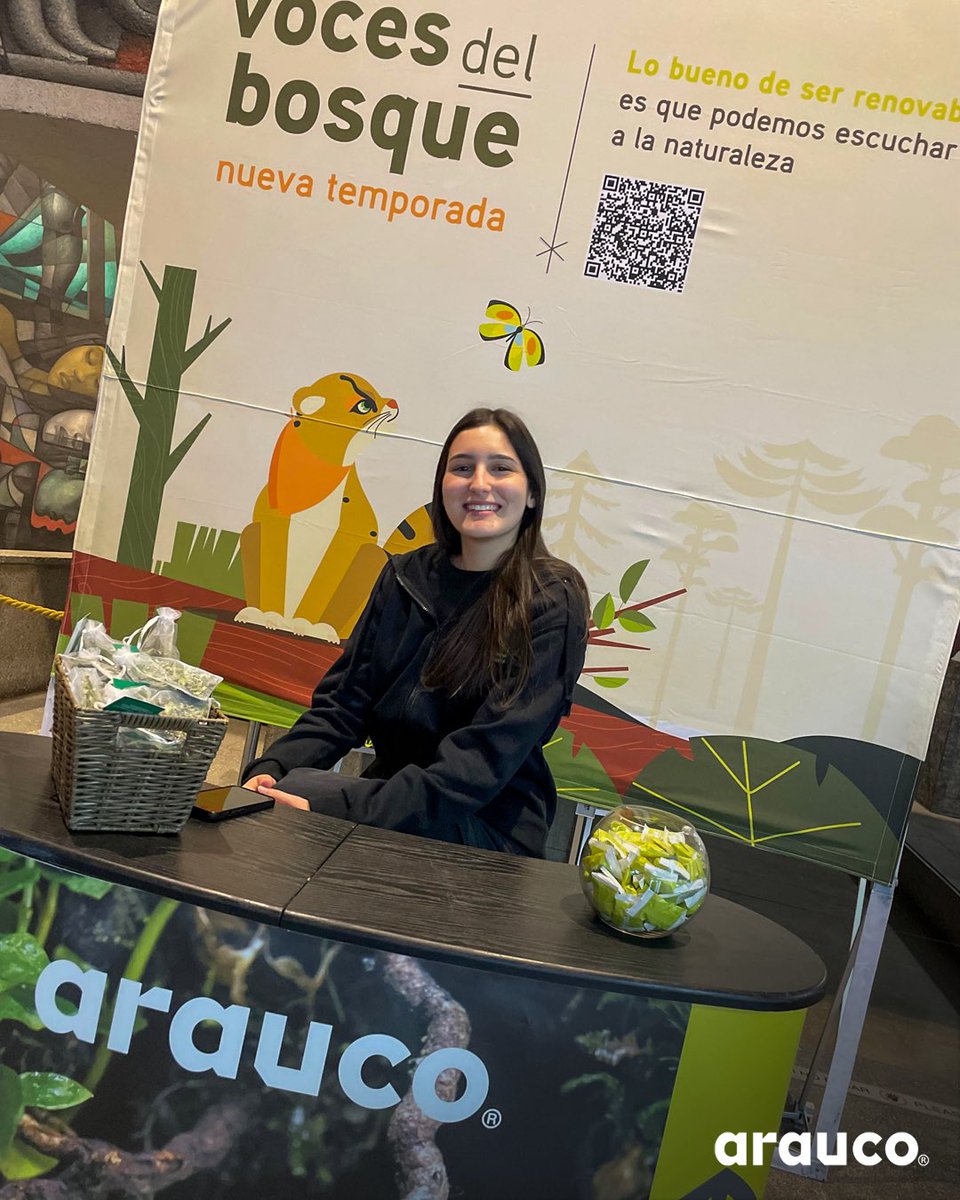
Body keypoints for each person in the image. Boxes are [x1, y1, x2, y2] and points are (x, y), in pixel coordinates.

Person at [241, 408, 589, 856]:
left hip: (484, 827)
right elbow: (343, 706)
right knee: (276, 802)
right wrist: (274, 767)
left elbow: (477, 766)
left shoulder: (551, 600)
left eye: (500, 468)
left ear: (533, 494)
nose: (479, 483)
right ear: (442, 487)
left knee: (311, 802)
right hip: (386, 801)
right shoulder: (404, 576)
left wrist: (339, 803)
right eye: (462, 468)